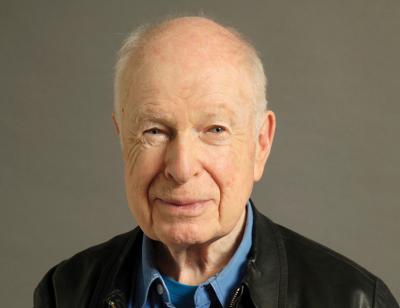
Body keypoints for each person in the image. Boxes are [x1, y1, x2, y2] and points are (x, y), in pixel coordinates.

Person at [34, 16, 399, 308]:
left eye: (215, 129)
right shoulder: (65, 293)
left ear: (261, 143)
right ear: (121, 138)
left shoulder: (356, 300)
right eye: (155, 131)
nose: (181, 167)